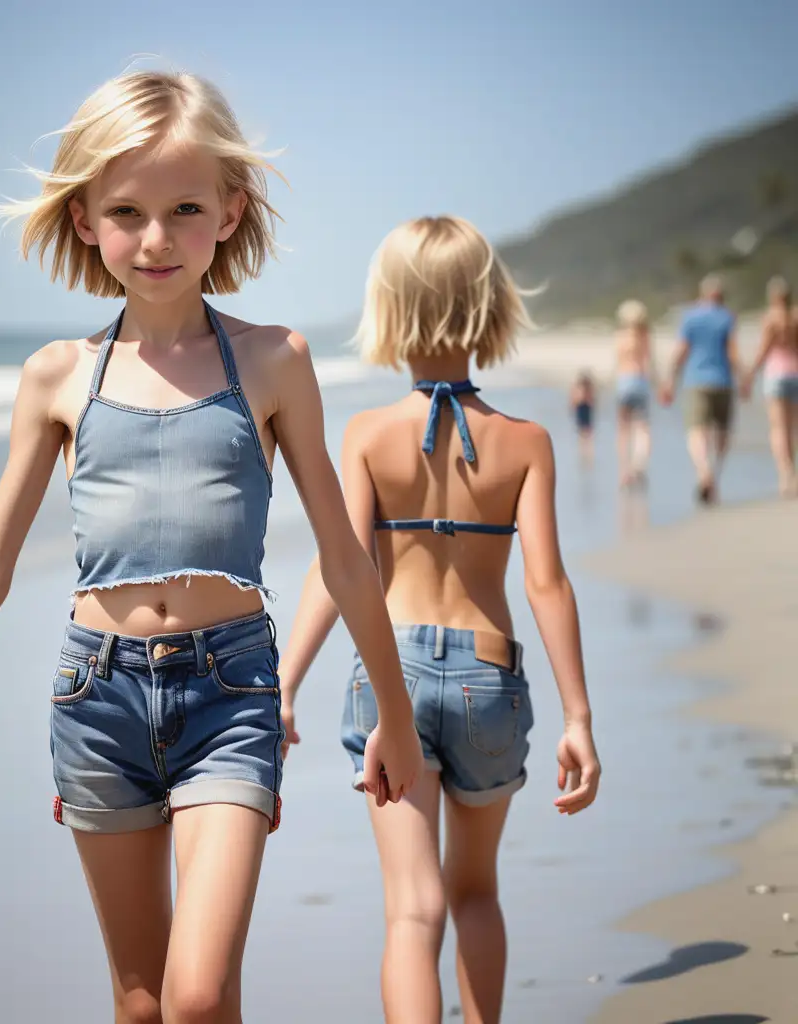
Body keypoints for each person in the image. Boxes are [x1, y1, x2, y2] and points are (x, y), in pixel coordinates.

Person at [0, 70, 423, 1024]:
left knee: (197, 997)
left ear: (230, 212)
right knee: (144, 1002)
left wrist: (393, 713)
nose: (156, 238)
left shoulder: (274, 360)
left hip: (231, 695)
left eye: (185, 208)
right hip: (96, 698)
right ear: (84, 219)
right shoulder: (56, 378)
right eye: (128, 211)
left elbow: (346, 555)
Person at [277, 216, 601, 1024]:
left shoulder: (366, 436)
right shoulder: (526, 443)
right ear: (492, 308)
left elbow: (339, 570)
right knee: (476, 893)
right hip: (491, 681)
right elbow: (548, 585)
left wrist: (282, 685)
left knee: (411, 910)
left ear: (387, 309)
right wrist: (580, 717)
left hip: (392, 684)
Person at [660, 274, 748, 504]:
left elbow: (681, 351)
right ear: (721, 296)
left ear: (702, 294)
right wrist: (744, 377)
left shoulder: (690, 317)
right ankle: (715, 474)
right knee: (721, 431)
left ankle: (703, 470)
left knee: (696, 430)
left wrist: (669, 379)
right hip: (723, 381)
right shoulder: (727, 317)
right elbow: (733, 352)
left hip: (696, 381)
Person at [744, 276, 798, 497]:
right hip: (795, 373)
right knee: (792, 428)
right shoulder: (795, 317)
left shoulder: (770, 319)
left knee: (778, 428)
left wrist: (749, 375)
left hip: (775, 375)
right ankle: (793, 472)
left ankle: (785, 475)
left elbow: (764, 350)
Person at [613, 299, 653, 488]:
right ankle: (639, 464)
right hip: (640, 381)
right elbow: (650, 362)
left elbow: (616, 363)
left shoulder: (620, 336)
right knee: (642, 428)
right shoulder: (644, 336)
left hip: (623, 382)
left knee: (623, 430)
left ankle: (624, 471)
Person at [568, 370, 595, 464]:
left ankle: (585, 454)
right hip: (583, 410)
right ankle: (585, 454)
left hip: (584, 410)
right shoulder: (584, 389)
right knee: (585, 434)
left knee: (585, 434)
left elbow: (574, 402)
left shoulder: (582, 390)